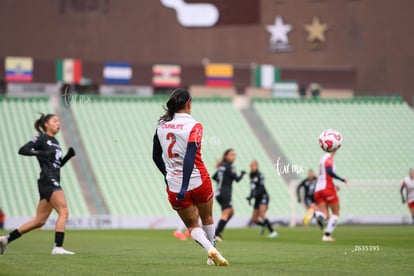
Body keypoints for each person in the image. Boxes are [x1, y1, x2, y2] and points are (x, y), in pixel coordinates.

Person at [152, 88, 228, 266]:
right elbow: (190, 157)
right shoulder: (194, 125)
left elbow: (155, 157)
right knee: (207, 217)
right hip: (199, 180)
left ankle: (209, 248)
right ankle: (212, 253)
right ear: (188, 104)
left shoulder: (161, 126)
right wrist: (186, 185)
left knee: (192, 226)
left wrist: (167, 175)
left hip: (174, 184)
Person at [0, 113, 76, 255]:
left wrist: (67, 157)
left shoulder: (56, 142)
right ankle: (57, 247)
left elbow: (56, 165)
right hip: (48, 180)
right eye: (55, 121)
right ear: (46, 124)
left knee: (39, 221)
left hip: (50, 180)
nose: (58, 123)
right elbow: (23, 150)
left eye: (59, 121)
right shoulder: (41, 138)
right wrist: (40, 152)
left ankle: (5, 239)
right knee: (64, 211)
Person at [212, 149, 245, 242]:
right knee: (226, 214)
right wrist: (242, 174)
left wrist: (223, 181)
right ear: (226, 156)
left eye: (234, 155)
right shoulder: (230, 166)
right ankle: (216, 233)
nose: (233, 157)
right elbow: (237, 179)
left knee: (231, 212)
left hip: (219, 193)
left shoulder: (222, 166)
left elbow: (214, 177)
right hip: (225, 193)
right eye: (231, 155)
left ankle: (218, 232)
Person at [313, 151, 347, 242]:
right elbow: (329, 171)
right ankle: (326, 235)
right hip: (327, 189)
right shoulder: (328, 158)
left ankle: (318, 214)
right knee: (336, 212)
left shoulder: (322, 158)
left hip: (318, 190)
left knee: (326, 215)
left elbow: (325, 176)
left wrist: (334, 186)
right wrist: (342, 179)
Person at [246, 160, 277, 238]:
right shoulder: (251, 176)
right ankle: (263, 225)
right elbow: (252, 189)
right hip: (257, 198)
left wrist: (253, 195)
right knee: (255, 219)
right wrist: (250, 197)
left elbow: (261, 188)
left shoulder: (260, 175)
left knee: (262, 214)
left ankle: (273, 232)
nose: (252, 167)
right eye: (251, 166)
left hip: (263, 196)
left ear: (257, 166)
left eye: (253, 166)